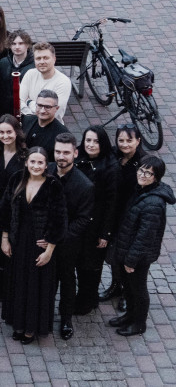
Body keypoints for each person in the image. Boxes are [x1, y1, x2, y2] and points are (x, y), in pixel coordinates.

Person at [0, 147, 66, 344]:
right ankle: (18, 323)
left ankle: (31, 328)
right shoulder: (16, 179)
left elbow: (60, 219)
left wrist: (50, 250)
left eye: (40, 163)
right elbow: (5, 210)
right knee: (18, 283)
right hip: (18, 241)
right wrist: (5, 239)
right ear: (26, 162)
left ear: (46, 165)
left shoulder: (54, 185)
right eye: (32, 162)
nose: (36, 166)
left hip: (39, 245)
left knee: (36, 287)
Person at [109, 156, 173, 337]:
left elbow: (144, 236)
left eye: (148, 173)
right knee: (128, 287)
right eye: (141, 170)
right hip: (128, 249)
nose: (142, 175)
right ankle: (129, 315)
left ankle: (139, 323)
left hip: (137, 256)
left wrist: (131, 260)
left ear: (156, 177)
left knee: (138, 289)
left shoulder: (153, 203)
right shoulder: (141, 190)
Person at [50, 133, 94, 340]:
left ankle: (66, 319)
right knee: (46, 279)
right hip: (43, 239)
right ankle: (43, 313)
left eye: (66, 153)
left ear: (75, 153)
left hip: (67, 244)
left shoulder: (84, 185)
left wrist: (59, 238)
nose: (61, 156)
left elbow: (83, 220)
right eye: (58, 151)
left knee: (67, 281)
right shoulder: (46, 171)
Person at [101, 125, 146, 310]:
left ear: (138, 141)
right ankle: (115, 286)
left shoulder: (143, 163)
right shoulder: (113, 154)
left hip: (131, 216)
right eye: (121, 140)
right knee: (113, 254)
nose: (125, 144)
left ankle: (129, 293)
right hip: (113, 213)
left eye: (129, 140)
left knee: (127, 256)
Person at [73, 126, 118, 315]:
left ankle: (87, 300)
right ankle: (84, 297)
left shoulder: (110, 167)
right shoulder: (78, 159)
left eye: (96, 141)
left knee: (90, 266)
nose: (90, 145)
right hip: (78, 222)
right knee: (78, 262)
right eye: (88, 140)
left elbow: (112, 203)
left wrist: (105, 233)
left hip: (96, 225)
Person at [19, 43, 72, 121]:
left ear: (54, 59)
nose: (42, 62)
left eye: (46, 58)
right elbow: (19, 101)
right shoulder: (30, 74)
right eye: (38, 58)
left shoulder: (63, 82)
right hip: (28, 123)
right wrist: (32, 115)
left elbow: (53, 113)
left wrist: (29, 102)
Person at [0, 30, 34, 116]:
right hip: (4, 110)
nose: (17, 47)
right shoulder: (3, 63)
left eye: (21, 43)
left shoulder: (34, 67)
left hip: (26, 111)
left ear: (27, 45)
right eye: (13, 44)